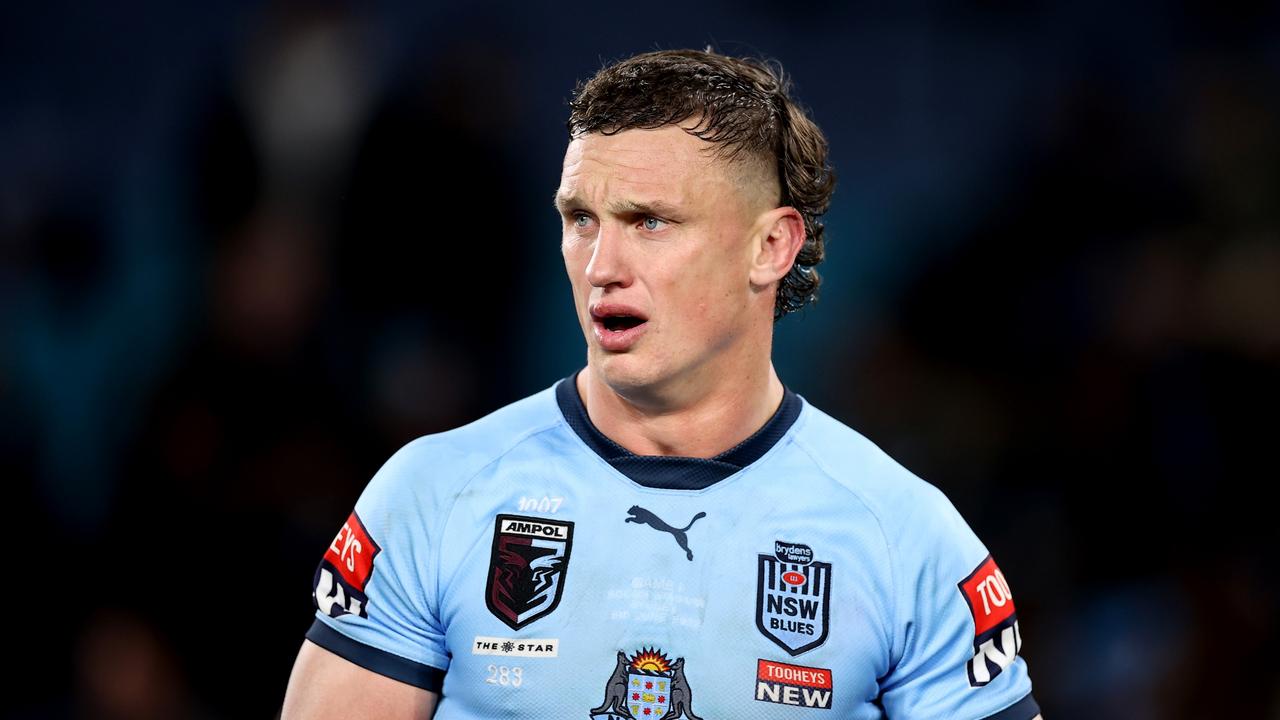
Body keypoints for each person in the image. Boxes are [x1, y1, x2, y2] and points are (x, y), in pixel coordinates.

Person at [281, 48, 1041, 720]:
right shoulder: (431, 496)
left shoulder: (908, 541)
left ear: (771, 245)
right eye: (581, 218)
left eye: (649, 221)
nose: (602, 264)